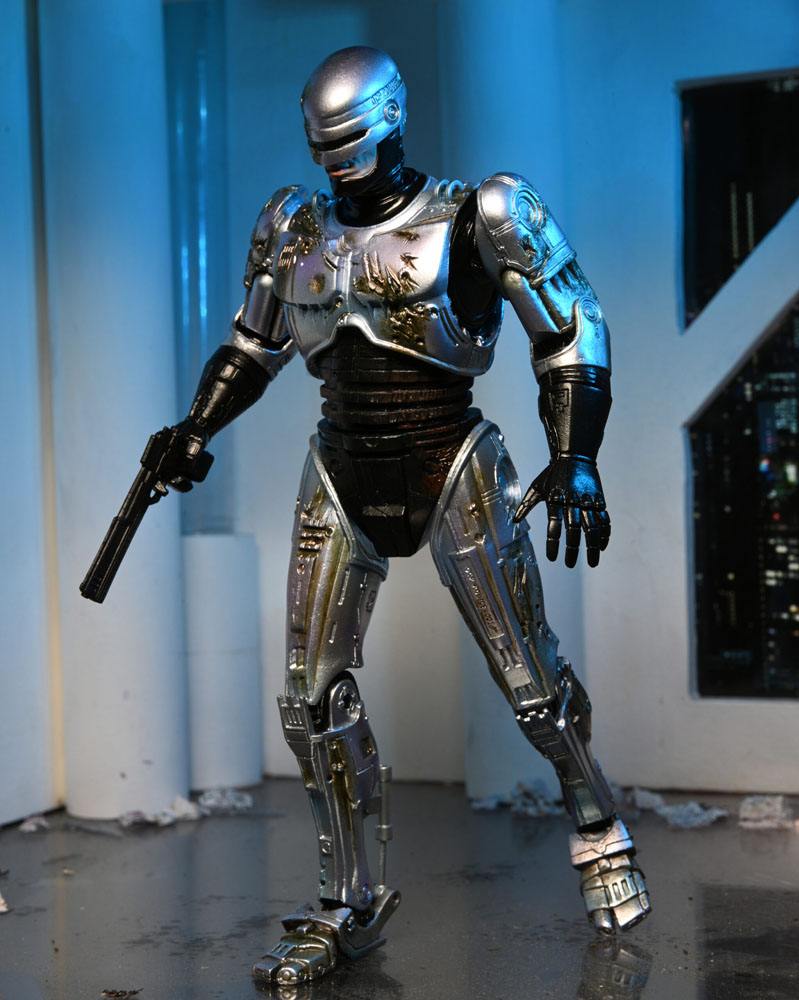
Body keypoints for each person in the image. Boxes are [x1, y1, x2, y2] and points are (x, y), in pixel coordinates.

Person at [157, 46, 651, 988]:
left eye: (353, 146)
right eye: (326, 150)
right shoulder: (293, 225)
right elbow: (254, 343)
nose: (341, 170)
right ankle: (347, 904)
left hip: (452, 458)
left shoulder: (481, 213)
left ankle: (600, 827)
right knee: (310, 698)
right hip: (339, 465)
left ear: (390, 122)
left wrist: (576, 454)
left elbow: (572, 325)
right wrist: (194, 427)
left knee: (531, 684)